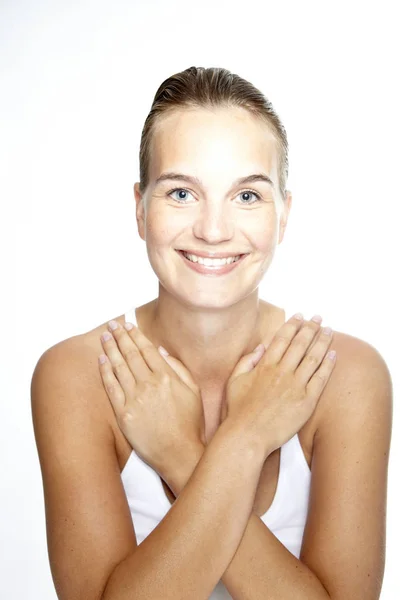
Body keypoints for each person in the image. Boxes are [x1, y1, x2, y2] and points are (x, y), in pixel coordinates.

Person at [31, 66, 392, 600]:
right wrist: (243, 442)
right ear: (138, 206)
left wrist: (183, 450)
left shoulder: (345, 376)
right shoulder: (76, 377)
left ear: (284, 215)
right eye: (181, 193)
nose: (213, 229)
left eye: (247, 196)